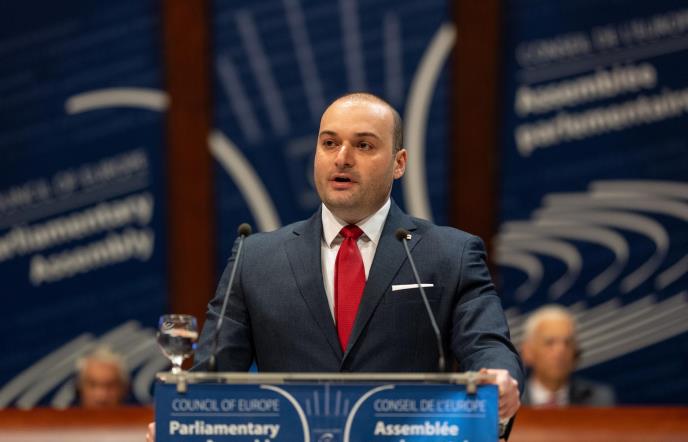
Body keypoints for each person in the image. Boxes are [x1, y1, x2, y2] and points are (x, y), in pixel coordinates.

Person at [147, 92, 522, 441]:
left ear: (399, 163)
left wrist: (499, 382)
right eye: (329, 143)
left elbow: (487, 345)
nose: (342, 158)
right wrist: (180, 420)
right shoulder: (255, 258)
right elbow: (214, 372)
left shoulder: (450, 253)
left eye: (364, 145)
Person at [520, 305, 615, 406]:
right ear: (528, 352)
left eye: (568, 343)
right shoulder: (511, 400)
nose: (560, 351)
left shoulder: (598, 399)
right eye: (550, 342)